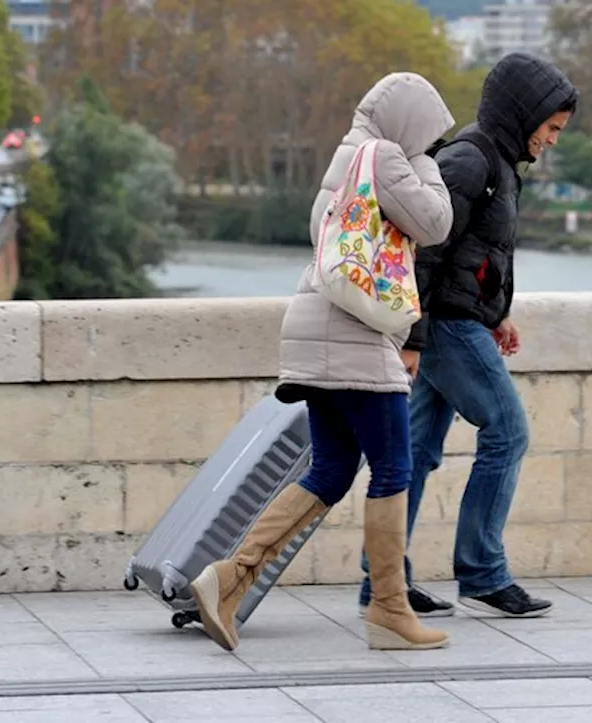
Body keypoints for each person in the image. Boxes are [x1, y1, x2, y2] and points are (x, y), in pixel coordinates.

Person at [189, 72, 457, 652]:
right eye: (429, 133)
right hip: (351, 336)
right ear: (409, 124)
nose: (431, 145)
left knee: (331, 472)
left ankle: (228, 578)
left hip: (316, 329)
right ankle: (389, 608)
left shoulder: (347, 161)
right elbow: (437, 224)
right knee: (393, 467)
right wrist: (425, 160)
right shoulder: (385, 157)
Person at [356, 52, 579, 619]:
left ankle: (383, 583)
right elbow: (425, 252)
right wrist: (412, 338)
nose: (553, 140)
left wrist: (496, 312)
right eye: (550, 128)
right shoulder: (469, 160)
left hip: (457, 319)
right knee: (506, 430)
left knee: (416, 452)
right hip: (443, 326)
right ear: (523, 113)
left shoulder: (499, 162)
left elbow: (477, 254)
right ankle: (481, 573)